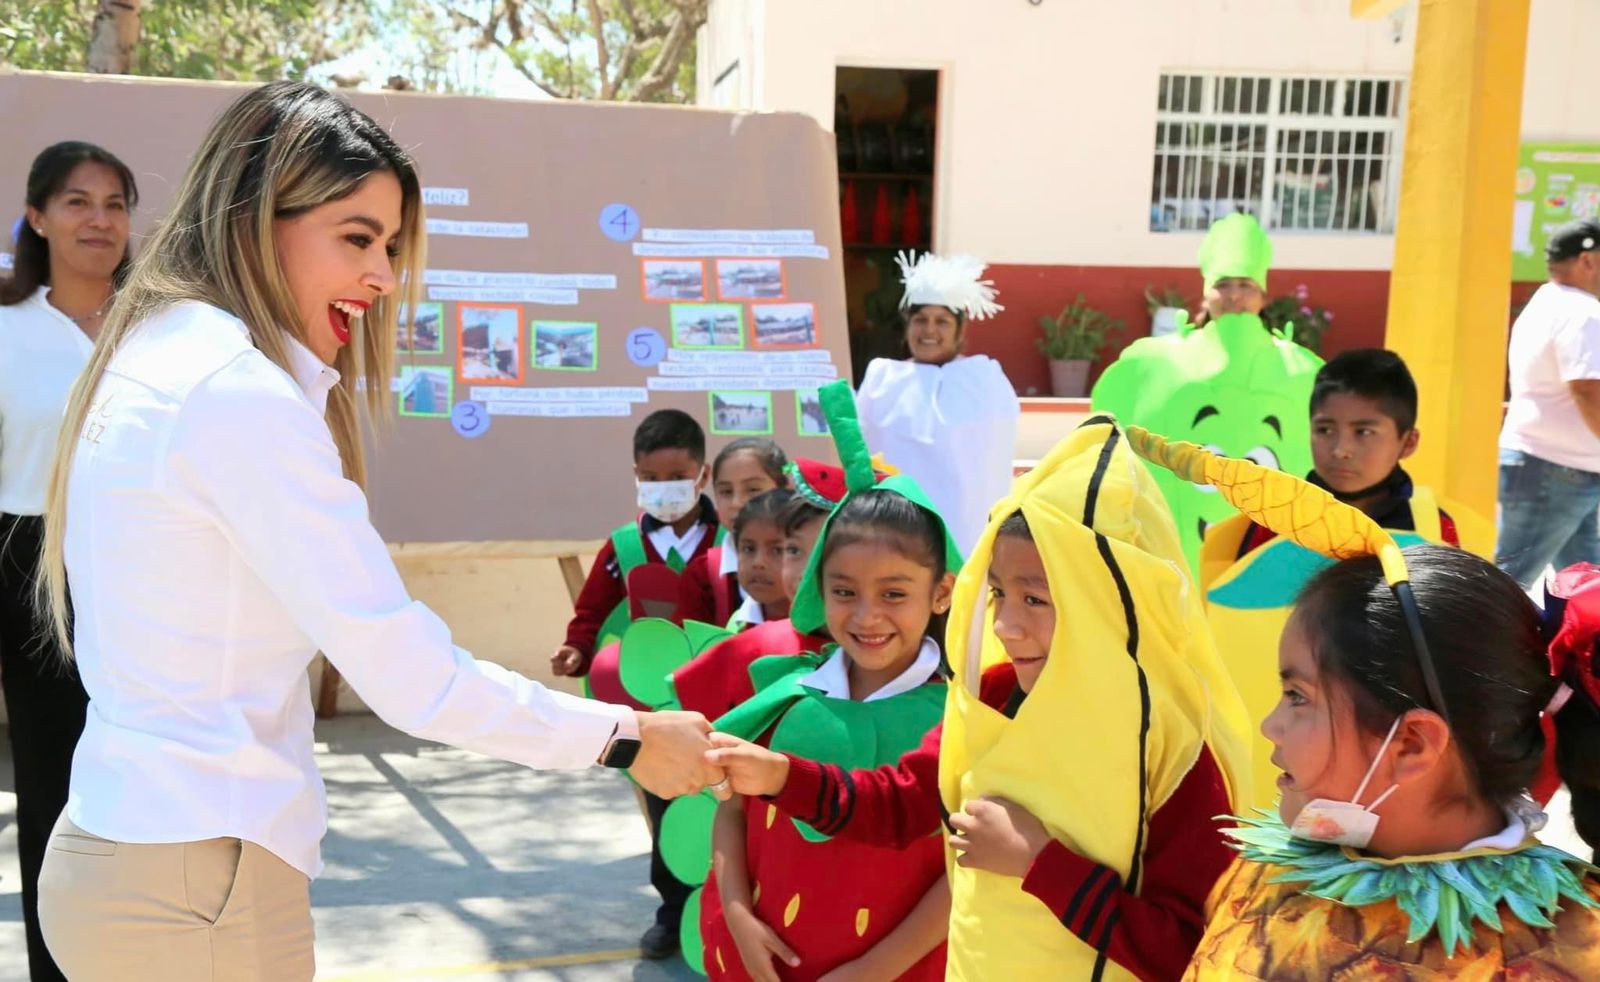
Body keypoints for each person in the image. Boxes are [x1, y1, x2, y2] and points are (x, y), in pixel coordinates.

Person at [30, 82, 722, 982]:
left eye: (391, 246)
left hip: (137, 857)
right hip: (196, 888)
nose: (384, 277)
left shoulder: (158, 353)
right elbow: (409, 676)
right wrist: (627, 737)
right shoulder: (234, 395)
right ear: (253, 219)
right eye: (356, 238)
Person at [709, 416, 1255, 979]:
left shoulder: (1173, 746)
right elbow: (901, 805)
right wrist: (778, 776)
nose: (1008, 625)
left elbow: (1193, 950)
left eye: (1037, 600)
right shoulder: (994, 696)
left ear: (1107, 600)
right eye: (997, 593)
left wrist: (1041, 863)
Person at [1123, 427, 1600, 977]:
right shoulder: (1260, 880)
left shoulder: (1555, 953)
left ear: (1413, 743)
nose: (1270, 726)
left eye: (1298, 697)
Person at [702, 381, 960, 981]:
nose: (866, 616)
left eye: (894, 594)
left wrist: (873, 969)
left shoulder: (962, 717)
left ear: (942, 592)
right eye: (844, 592)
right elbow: (732, 809)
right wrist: (738, 910)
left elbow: (965, 868)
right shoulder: (789, 697)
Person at [1198, 348, 1487, 809]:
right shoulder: (1248, 533)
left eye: (1364, 431)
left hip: (1393, 776)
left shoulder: (1450, 533)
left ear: (1408, 441)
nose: (1341, 449)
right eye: (1325, 429)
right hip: (1268, 774)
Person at [0, 140, 137, 982]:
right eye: (79, 201)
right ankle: (58, 967)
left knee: (146, 774)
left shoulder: (162, 326)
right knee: (53, 782)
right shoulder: (7, 330)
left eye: (116, 203)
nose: (100, 220)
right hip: (26, 565)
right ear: (39, 218)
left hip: (145, 563)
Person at [1092, 212, 1322, 573]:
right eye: (1224, 284)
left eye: (1245, 285)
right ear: (1207, 292)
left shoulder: (1299, 367)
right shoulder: (1159, 359)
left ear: (1262, 294)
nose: (1234, 296)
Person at [855, 251, 1018, 557]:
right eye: (920, 320)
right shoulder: (882, 379)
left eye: (942, 321)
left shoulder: (984, 379)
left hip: (966, 529)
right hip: (894, 528)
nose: (929, 330)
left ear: (960, 330)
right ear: (907, 326)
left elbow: (990, 461)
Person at [1497, 218, 1600, 588]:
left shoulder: (1543, 303)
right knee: (1506, 588)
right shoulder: (1584, 313)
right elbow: (1587, 389)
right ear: (1588, 261)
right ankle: (1454, 646)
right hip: (1557, 472)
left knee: (1586, 586)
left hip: (1552, 469)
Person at [676, 438, 789, 628]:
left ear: (785, 489)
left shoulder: (813, 566)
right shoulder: (701, 576)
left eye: (753, 489)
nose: (736, 502)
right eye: (726, 492)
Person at [726, 489, 795, 631]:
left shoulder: (824, 634)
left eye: (777, 550)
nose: (758, 563)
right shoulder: (737, 626)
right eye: (748, 549)